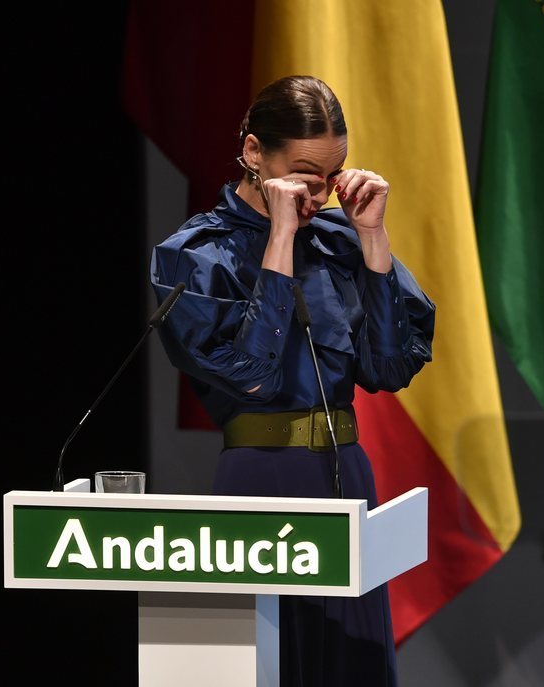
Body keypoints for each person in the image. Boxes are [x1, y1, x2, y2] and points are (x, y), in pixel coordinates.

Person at [149, 74, 434, 687]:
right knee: (265, 665)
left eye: (333, 174)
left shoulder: (341, 242)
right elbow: (250, 376)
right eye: (305, 173)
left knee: (353, 665)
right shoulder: (196, 255)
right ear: (254, 153)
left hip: (346, 473)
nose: (321, 192)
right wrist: (280, 237)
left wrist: (374, 236)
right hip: (262, 472)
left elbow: (388, 369)